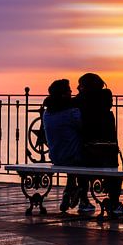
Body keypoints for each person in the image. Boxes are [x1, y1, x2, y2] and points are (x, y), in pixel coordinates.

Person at [73, 73, 123, 214]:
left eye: (80, 85)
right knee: (115, 172)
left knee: (82, 167)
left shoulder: (80, 101)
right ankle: (114, 202)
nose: (77, 87)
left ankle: (83, 200)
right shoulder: (105, 99)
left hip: (88, 150)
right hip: (107, 150)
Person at [43, 79, 95, 212]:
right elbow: (85, 129)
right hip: (74, 157)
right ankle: (82, 195)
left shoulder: (47, 113)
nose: (72, 92)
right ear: (63, 95)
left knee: (71, 158)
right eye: (69, 90)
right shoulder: (72, 112)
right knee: (84, 158)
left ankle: (68, 190)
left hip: (56, 157)